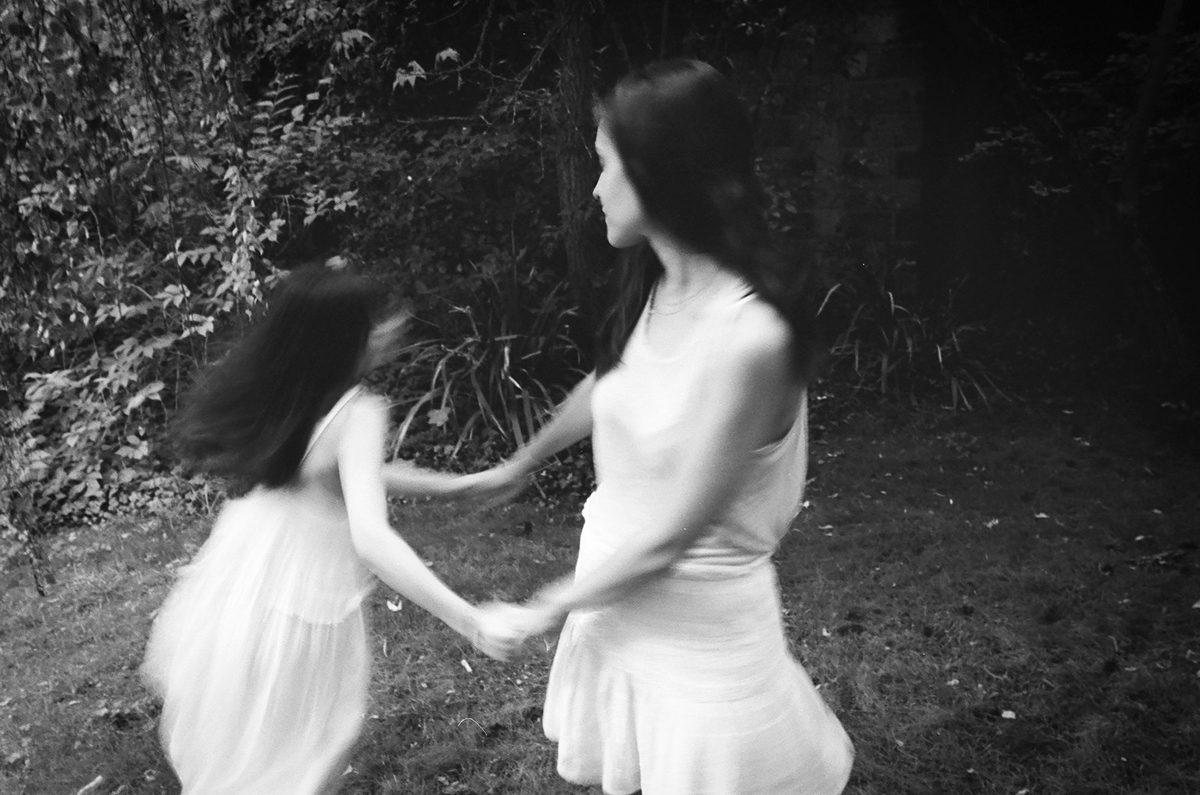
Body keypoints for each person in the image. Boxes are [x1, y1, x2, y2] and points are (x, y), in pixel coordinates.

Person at [462, 59, 855, 794]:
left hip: (698, 646)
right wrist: (519, 462)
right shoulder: (662, 282)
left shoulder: (750, 337)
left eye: (607, 166)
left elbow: (676, 535)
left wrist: (541, 607)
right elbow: (619, 382)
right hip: (618, 607)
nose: (594, 188)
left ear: (661, 175)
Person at [141, 267, 521, 794]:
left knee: (244, 763)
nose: (391, 326)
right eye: (378, 319)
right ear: (347, 336)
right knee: (300, 758)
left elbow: (339, 471)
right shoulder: (359, 410)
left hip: (239, 591)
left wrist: (454, 486)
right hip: (301, 607)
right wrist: (470, 620)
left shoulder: (290, 391)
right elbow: (373, 540)